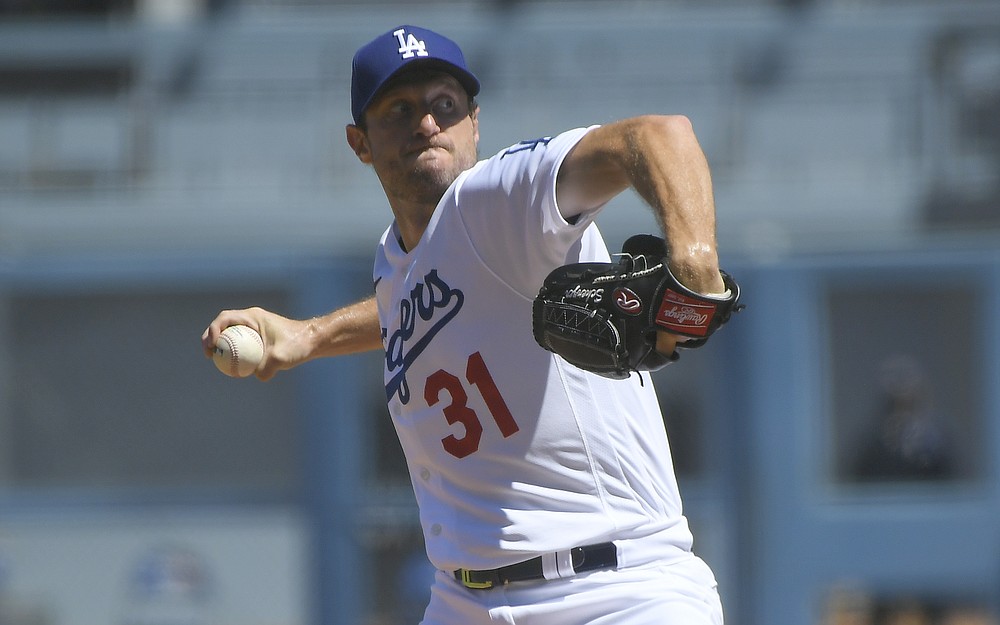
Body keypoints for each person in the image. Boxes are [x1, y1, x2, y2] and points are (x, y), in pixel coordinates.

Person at [202, 24, 727, 625]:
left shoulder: (495, 197)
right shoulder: (397, 261)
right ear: (360, 142)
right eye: (399, 109)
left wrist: (695, 257)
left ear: (474, 122)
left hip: (614, 591)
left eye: (444, 105)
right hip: (465, 601)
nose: (426, 123)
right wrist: (309, 336)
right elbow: (421, 303)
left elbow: (658, 135)